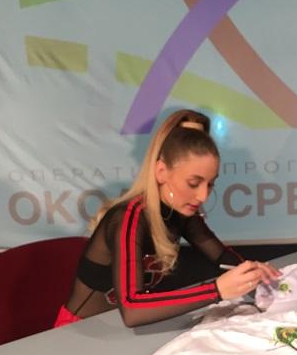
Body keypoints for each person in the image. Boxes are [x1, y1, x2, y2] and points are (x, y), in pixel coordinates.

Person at [54, 109, 279, 328]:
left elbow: (221, 256)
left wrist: (251, 271)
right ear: (161, 171)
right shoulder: (128, 218)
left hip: (127, 331)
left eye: (210, 184)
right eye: (193, 183)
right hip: (79, 334)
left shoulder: (182, 212)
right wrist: (216, 290)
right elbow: (132, 310)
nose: (203, 196)